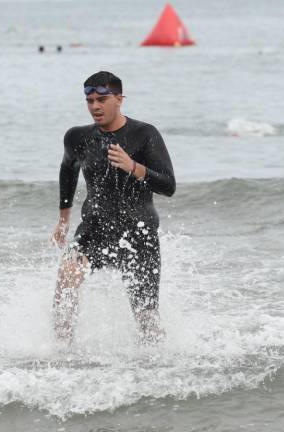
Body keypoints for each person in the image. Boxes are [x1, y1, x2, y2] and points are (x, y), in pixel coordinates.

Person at [52, 71, 176, 344]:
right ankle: (60, 352)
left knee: (146, 317)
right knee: (67, 275)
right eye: (90, 100)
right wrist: (63, 219)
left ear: (119, 99)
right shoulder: (77, 137)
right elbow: (67, 170)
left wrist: (134, 167)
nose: (95, 106)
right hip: (95, 229)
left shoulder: (144, 134)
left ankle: (159, 365)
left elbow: (168, 185)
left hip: (138, 233)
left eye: (102, 99)